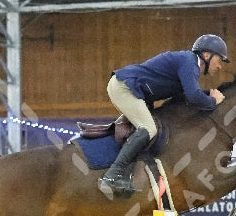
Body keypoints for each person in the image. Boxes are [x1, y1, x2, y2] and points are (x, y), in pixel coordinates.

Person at [98, 33, 229, 195]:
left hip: (130, 89)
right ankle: (112, 175)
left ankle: (127, 173)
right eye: (219, 59)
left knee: (150, 128)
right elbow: (194, 96)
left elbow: (186, 97)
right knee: (148, 128)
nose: (220, 66)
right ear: (207, 55)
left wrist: (208, 93)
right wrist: (213, 101)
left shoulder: (188, 65)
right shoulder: (189, 62)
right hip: (125, 87)